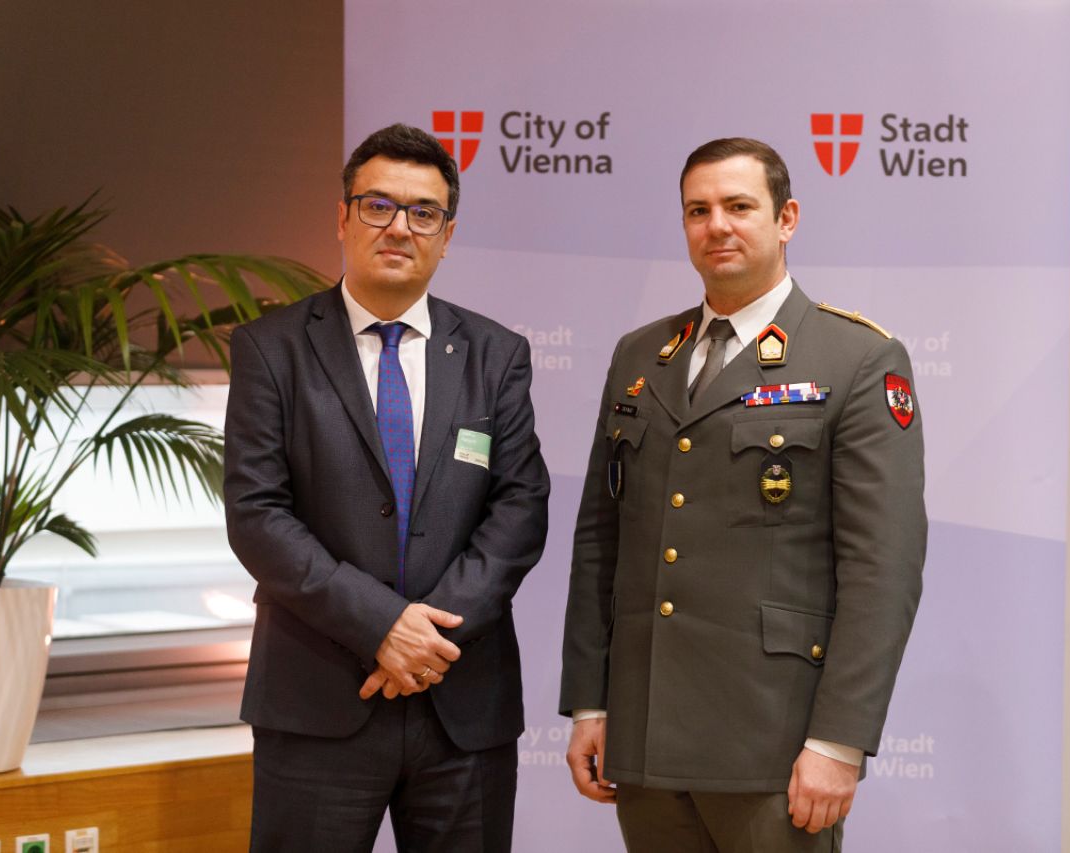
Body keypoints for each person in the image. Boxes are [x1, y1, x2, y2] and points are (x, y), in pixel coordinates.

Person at [559, 137, 926, 852]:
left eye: (738, 206)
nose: (716, 226)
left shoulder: (856, 358)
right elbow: (601, 538)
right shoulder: (642, 354)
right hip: (646, 728)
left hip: (774, 742)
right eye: (698, 210)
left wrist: (839, 741)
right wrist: (590, 703)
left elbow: (883, 568)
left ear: (786, 218)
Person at [225, 123, 549, 852]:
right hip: (316, 700)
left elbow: (520, 507)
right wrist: (380, 625)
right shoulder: (271, 349)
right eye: (378, 205)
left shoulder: (497, 354)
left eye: (423, 212)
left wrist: (426, 640)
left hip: (462, 704)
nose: (399, 227)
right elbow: (257, 514)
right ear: (342, 218)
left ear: (447, 235)